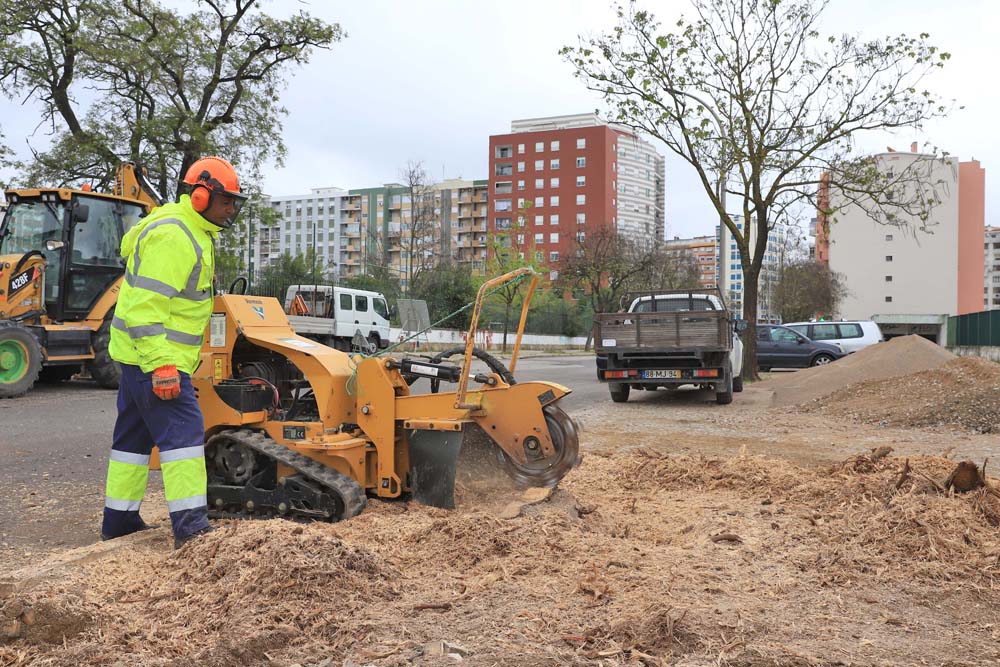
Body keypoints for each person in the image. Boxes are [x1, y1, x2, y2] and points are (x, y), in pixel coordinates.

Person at [101, 156, 247, 549]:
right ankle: (192, 529)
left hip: (137, 357)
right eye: (227, 200)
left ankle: (118, 521)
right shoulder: (176, 237)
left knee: (131, 441)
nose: (232, 207)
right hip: (155, 360)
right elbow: (143, 309)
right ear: (201, 196)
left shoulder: (191, 231)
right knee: (183, 436)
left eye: (236, 200)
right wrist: (162, 364)